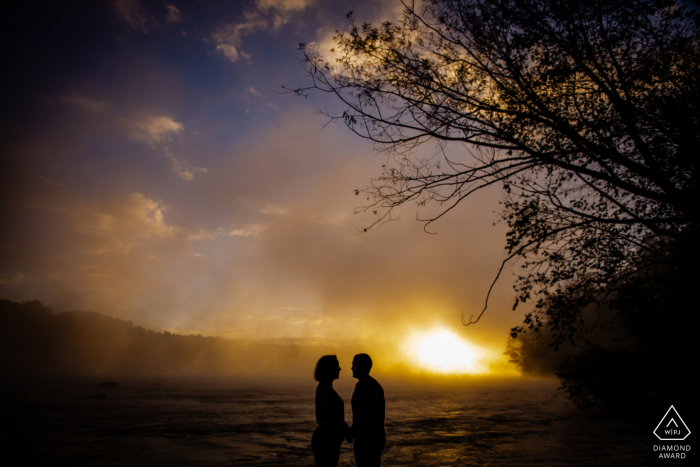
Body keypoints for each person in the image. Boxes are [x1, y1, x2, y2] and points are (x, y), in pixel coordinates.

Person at [312, 355, 352, 467]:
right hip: (326, 441)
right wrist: (350, 433)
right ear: (329, 369)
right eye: (337, 366)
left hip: (326, 439)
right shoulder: (326, 390)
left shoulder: (325, 387)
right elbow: (335, 419)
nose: (340, 369)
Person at [351, 353, 385, 467]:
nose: (352, 368)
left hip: (369, 440)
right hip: (363, 438)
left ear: (363, 368)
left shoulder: (371, 386)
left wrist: (362, 435)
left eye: (354, 365)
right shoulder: (361, 385)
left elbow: (375, 416)